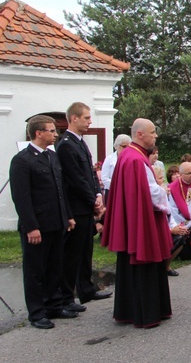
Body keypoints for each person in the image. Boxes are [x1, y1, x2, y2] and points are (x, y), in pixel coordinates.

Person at [101, 118, 174, 328]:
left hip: (129, 221)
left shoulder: (127, 155)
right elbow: (151, 194)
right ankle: (146, 312)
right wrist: (164, 191)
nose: (155, 136)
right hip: (142, 222)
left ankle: (129, 310)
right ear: (140, 134)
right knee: (145, 261)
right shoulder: (137, 160)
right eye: (153, 132)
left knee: (129, 265)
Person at [10, 115, 77, 329]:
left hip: (56, 222)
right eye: (51, 131)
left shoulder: (52, 157)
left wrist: (67, 215)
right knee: (35, 270)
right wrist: (31, 227)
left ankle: (54, 305)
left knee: (54, 267)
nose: (55, 134)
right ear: (38, 133)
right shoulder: (23, 160)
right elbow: (21, 197)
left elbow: (60, 191)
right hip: (37, 225)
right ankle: (37, 312)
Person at [56, 102, 111, 311]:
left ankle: (87, 289)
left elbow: (89, 172)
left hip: (87, 205)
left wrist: (98, 194)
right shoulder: (66, 145)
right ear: (74, 118)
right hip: (76, 207)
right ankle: (66, 297)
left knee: (85, 250)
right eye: (86, 118)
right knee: (72, 254)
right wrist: (92, 200)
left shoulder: (80, 143)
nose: (90, 122)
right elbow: (76, 179)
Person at [100, 134, 131, 202]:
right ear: (117, 146)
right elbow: (104, 179)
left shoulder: (131, 160)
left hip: (127, 192)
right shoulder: (109, 159)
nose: (127, 149)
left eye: (129, 147)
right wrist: (119, 184)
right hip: (112, 192)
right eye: (124, 146)